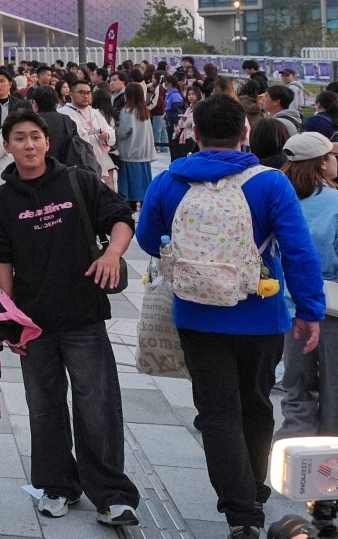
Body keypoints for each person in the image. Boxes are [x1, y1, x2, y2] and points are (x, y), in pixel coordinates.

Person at [136, 95, 324, 539]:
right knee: (257, 404)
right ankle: (253, 489)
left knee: (217, 411)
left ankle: (241, 514)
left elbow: (146, 239)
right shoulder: (270, 183)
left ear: (194, 134)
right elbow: (299, 250)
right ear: (244, 133)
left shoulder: (169, 180)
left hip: (197, 317)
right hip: (262, 313)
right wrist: (311, 310)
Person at [0, 109, 141, 527]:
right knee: (44, 406)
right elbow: (2, 264)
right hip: (34, 322)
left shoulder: (78, 180)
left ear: (47, 142)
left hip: (83, 314)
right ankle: (57, 487)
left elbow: (122, 218)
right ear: (7, 147)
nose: (29, 145)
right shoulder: (1, 200)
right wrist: (8, 319)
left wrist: (112, 253)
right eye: (19, 138)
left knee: (97, 405)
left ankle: (112, 494)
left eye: (35, 137)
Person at [275, 132, 338, 441]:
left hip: (287, 305)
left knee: (297, 387)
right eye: (332, 156)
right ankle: (331, 471)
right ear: (321, 164)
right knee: (335, 393)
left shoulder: (280, 198)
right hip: (333, 310)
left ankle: (291, 454)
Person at [61, 80, 117, 189]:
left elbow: (109, 130)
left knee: (108, 188)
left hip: (99, 155)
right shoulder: (63, 113)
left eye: (88, 93)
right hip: (79, 160)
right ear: (71, 94)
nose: (86, 96)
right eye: (81, 93)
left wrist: (107, 135)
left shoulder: (95, 112)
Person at [116, 83, 154, 211]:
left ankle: (130, 206)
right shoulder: (144, 111)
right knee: (144, 181)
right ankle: (144, 204)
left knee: (129, 184)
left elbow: (123, 132)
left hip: (129, 152)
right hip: (144, 152)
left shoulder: (127, 111)